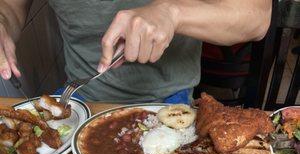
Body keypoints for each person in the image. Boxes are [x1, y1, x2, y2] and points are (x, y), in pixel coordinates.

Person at [0, 0, 272, 103]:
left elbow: (256, 17)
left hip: (167, 100)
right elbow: (11, 6)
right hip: (78, 98)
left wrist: (173, 13)